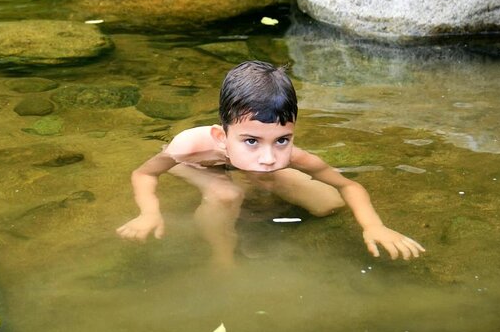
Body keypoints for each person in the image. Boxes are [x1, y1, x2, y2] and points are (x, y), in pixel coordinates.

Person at [116, 60, 425, 265]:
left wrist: (374, 226)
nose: (269, 156)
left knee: (327, 204)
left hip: (237, 163)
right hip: (201, 165)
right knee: (227, 195)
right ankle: (221, 257)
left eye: (282, 140)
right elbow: (144, 174)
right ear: (221, 136)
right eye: (252, 140)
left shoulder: (286, 157)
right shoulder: (188, 147)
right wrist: (149, 213)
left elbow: (347, 186)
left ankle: (253, 176)